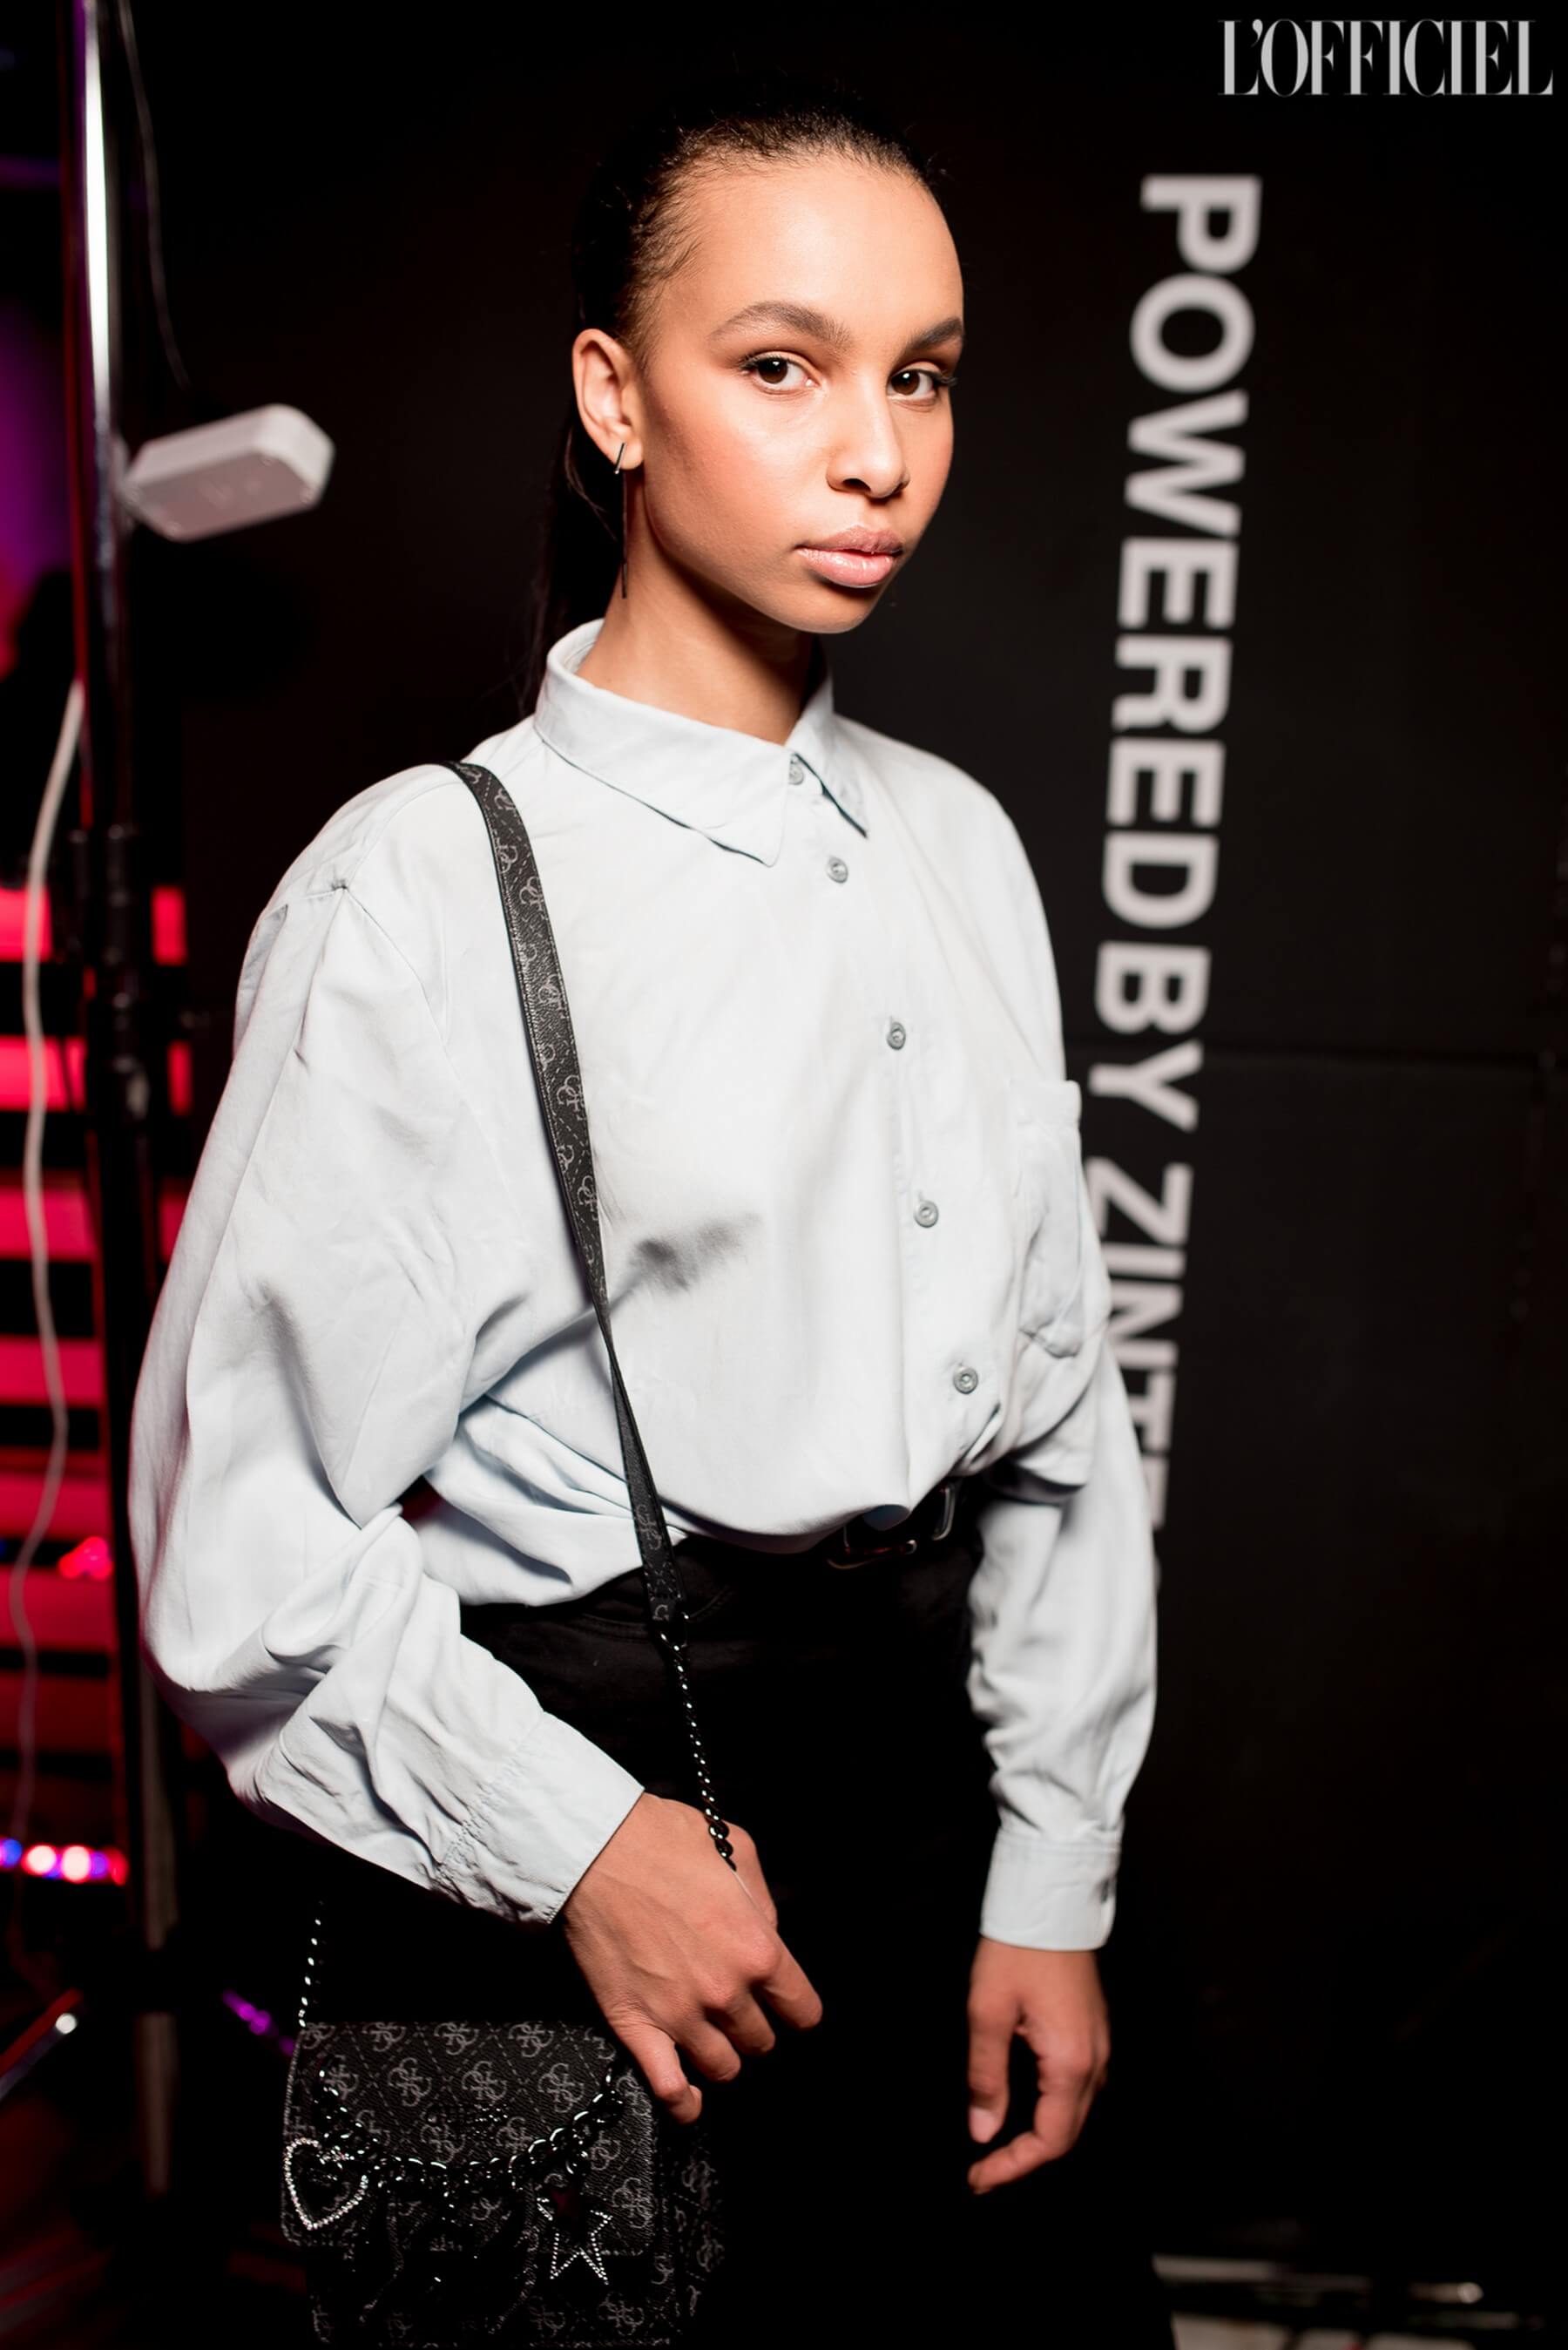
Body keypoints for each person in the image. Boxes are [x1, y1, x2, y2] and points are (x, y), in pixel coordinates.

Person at [127, 63, 1168, 2347]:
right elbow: (242, 1544)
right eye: (781, 367)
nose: (875, 451)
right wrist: (578, 1843)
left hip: (924, 1834)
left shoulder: (961, 843)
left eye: (922, 376)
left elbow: (1059, 1432)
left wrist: (1052, 1872)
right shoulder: (424, 889)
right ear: (614, 396)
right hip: (574, 1846)